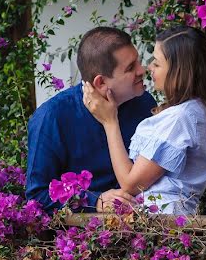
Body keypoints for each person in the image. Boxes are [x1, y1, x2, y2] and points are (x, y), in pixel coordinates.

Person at [82, 25, 206, 216]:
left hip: (163, 221)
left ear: (177, 71)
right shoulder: (195, 110)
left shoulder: (180, 118)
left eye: (156, 63)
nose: (148, 68)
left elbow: (131, 184)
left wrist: (110, 122)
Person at [26, 27, 156, 212]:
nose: (141, 70)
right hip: (82, 235)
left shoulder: (144, 104)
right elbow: (37, 197)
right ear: (101, 82)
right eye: (130, 68)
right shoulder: (52, 117)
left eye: (138, 62)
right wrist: (93, 202)